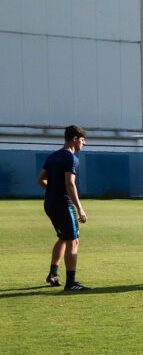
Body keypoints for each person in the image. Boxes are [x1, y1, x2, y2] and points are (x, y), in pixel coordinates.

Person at [36, 125, 90, 291]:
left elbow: (40, 180)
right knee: (73, 241)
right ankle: (71, 283)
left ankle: (53, 274)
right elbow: (69, 183)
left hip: (49, 203)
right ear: (74, 139)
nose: (84, 144)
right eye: (82, 140)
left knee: (63, 238)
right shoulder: (71, 158)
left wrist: (53, 191)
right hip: (63, 204)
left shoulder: (52, 157)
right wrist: (80, 208)